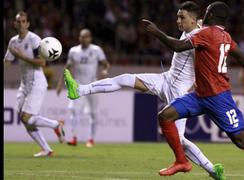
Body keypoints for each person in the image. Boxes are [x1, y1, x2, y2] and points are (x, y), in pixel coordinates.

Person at [64, 2, 225, 179]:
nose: (178, 20)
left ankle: (212, 169)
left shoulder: (198, 37)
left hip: (179, 92)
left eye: (182, 17)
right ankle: (79, 90)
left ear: (193, 20)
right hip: (166, 80)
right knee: (124, 78)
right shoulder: (195, 27)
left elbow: (202, 64)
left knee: (179, 140)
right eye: (178, 16)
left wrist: (194, 85)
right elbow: (200, 25)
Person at [141, 2, 244, 179]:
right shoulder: (225, 36)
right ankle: (181, 161)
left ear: (211, 16)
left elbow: (178, 46)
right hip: (199, 96)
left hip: (219, 98)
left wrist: (157, 32)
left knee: (241, 140)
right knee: (165, 116)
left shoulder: (206, 33)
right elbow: (241, 56)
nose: (203, 15)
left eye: (206, 12)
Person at [3, 11, 65, 157]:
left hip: (37, 82)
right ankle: (47, 149)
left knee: (26, 117)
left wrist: (21, 56)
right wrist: (13, 58)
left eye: (24, 21)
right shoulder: (13, 41)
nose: (21, 24)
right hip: (24, 83)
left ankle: (56, 125)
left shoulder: (35, 40)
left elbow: (42, 62)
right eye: (18, 21)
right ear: (14, 24)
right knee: (24, 120)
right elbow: (7, 62)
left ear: (28, 24)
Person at [56, 29, 110, 148]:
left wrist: (105, 71)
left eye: (86, 37)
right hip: (78, 84)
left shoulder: (96, 50)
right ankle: (74, 137)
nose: (84, 39)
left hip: (93, 85)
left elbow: (106, 64)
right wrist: (60, 83)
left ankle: (91, 139)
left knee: (93, 113)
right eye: (82, 37)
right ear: (79, 38)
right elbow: (67, 68)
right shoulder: (73, 51)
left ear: (90, 38)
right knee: (74, 111)